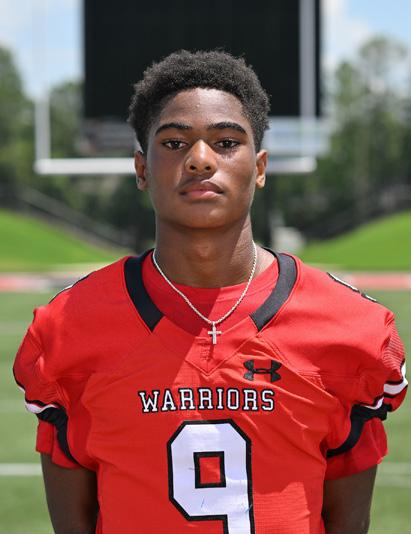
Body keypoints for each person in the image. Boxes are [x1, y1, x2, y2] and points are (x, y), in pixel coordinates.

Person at [14, 50, 407, 534]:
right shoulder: (69, 326)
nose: (200, 160)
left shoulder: (348, 326)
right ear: (141, 169)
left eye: (226, 142)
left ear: (259, 167)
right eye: (174, 143)